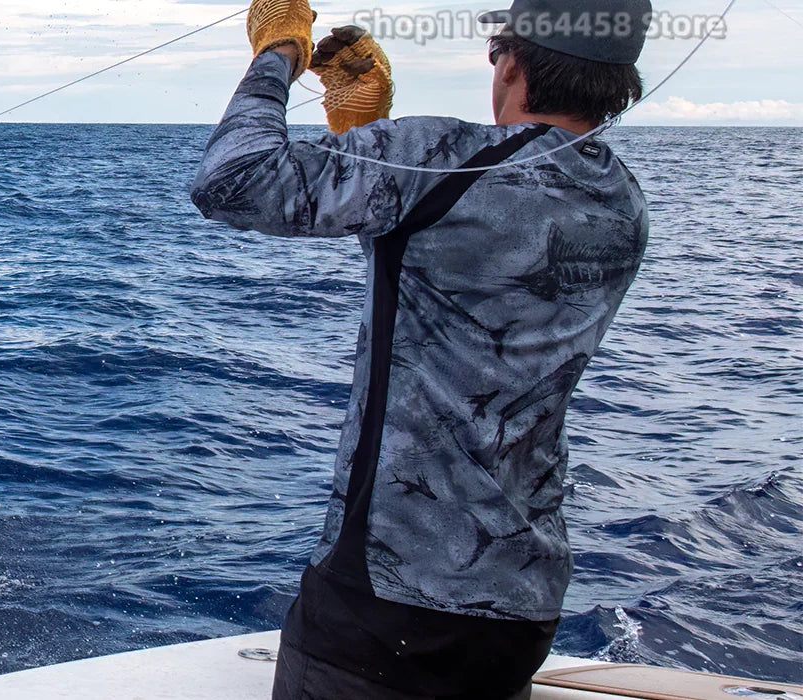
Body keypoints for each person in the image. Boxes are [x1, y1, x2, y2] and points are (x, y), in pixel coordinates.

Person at [190, 0, 653, 697]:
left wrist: (279, 52)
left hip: (383, 606)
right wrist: (362, 133)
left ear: (514, 64)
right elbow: (456, 244)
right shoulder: (621, 201)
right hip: (520, 607)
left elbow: (233, 180)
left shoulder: (443, 161)